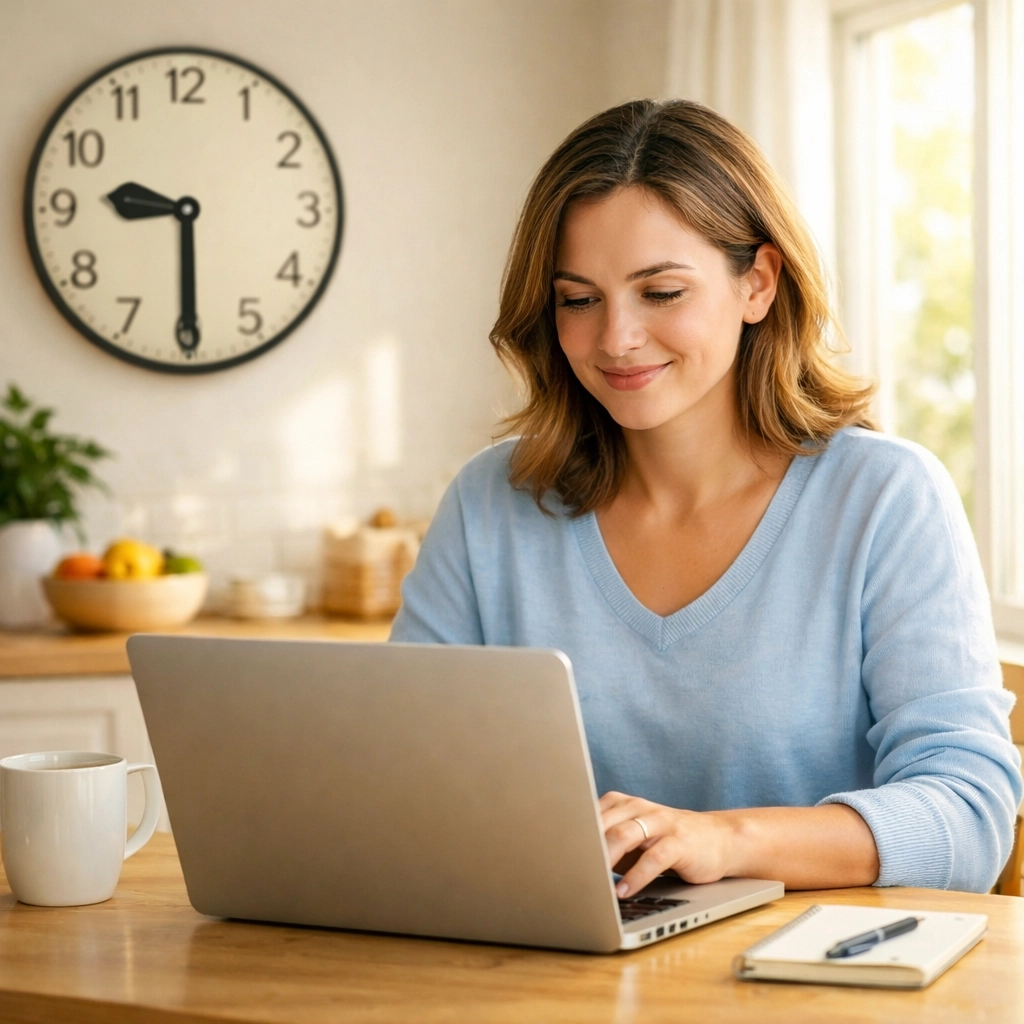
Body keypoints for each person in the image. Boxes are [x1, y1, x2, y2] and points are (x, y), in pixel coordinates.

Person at [389, 99, 1022, 895]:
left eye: (660, 292)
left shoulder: (885, 499)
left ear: (757, 283)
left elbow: (969, 820)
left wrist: (723, 841)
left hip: (817, 992)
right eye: (578, 299)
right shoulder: (490, 504)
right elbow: (403, 777)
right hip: (553, 981)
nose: (615, 337)